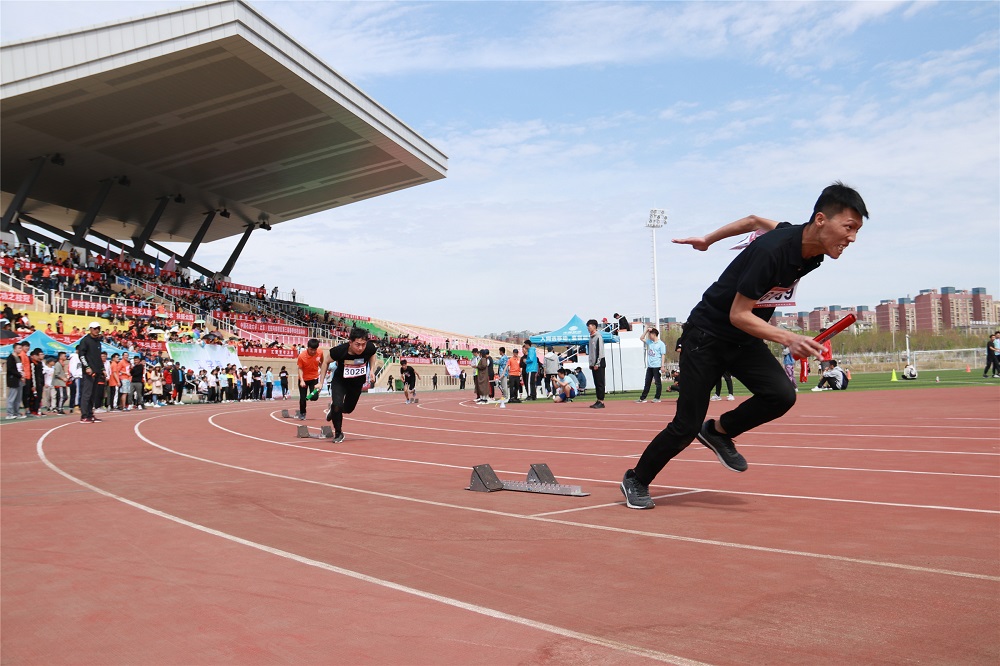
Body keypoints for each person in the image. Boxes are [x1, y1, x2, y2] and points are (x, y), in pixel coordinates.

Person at [621, 182, 869, 510]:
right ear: (821, 220)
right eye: (848, 227)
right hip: (707, 336)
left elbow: (753, 220)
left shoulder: (810, 250)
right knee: (685, 425)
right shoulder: (773, 251)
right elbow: (738, 314)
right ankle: (636, 479)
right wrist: (790, 338)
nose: (852, 238)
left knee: (781, 395)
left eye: (857, 231)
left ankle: (720, 431)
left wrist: (708, 240)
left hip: (743, 338)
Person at [324, 327, 378, 443]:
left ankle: (333, 411)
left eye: (363, 344)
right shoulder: (339, 351)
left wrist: (372, 370)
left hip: (357, 383)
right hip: (340, 381)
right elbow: (325, 362)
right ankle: (338, 433)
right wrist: (320, 382)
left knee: (348, 409)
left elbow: (373, 354)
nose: (360, 348)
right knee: (337, 405)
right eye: (357, 344)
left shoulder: (369, 348)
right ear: (350, 342)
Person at [77, 322, 105, 423]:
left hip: (97, 371)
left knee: (93, 394)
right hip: (89, 372)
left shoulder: (98, 342)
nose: (97, 330)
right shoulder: (85, 341)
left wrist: (102, 369)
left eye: (98, 328)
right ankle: (84, 416)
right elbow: (81, 355)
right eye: (95, 328)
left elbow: (98, 358)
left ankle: (90, 414)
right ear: (90, 329)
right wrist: (87, 367)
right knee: (87, 394)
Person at [636, 325, 667, 403]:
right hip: (650, 366)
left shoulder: (661, 344)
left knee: (657, 382)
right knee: (647, 382)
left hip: (657, 366)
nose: (649, 336)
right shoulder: (649, 342)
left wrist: (662, 366)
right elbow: (641, 338)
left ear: (654, 334)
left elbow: (663, 355)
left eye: (651, 334)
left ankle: (657, 397)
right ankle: (642, 398)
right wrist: (646, 330)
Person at [296, 339, 324, 420]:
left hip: (314, 378)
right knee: (302, 398)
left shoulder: (320, 352)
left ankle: (309, 397)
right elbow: (300, 368)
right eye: (311, 349)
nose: (313, 352)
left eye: (314, 350)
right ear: (308, 347)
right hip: (303, 379)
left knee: (314, 397)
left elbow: (322, 363)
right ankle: (302, 413)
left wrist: (322, 373)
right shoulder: (301, 356)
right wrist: (301, 380)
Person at [587, 319, 606, 409]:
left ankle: (601, 401)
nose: (588, 328)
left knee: (600, 383)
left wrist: (597, 363)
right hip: (593, 363)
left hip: (599, 363)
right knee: (596, 383)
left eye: (589, 326)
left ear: (594, 326)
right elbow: (591, 352)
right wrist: (591, 363)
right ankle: (598, 400)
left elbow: (600, 351)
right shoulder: (591, 338)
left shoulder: (598, 337)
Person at [5, 341, 24, 419]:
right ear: (14, 349)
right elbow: (10, 369)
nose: (20, 349)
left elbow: (20, 368)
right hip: (13, 379)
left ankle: (16, 412)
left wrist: (22, 375)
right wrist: (19, 375)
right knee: (12, 397)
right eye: (19, 348)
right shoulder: (10, 358)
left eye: (21, 348)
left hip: (19, 379)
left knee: (18, 397)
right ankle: (9, 413)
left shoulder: (19, 358)